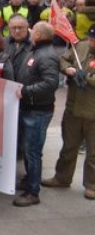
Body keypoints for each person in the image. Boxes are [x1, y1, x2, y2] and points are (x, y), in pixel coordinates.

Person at [40, 24, 95, 200]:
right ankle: (62, 177)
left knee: (93, 153)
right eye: (91, 38)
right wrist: (68, 69)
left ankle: (92, 184)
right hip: (73, 108)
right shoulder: (81, 46)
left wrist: (85, 77)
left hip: (93, 112)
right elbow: (63, 59)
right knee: (68, 147)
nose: (92, 42)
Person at [12, 21, 60, 207]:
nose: (30, 33)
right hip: (30, 108)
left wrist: (26, 91)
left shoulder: (46, 55)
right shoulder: (36, 51)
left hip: (38, 111)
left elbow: (50, 84)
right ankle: (29, 180)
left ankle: (33, 192)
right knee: (28, 149)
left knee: (33, 152)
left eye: (33, 31)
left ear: (38, 35)